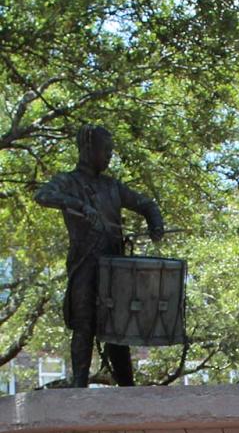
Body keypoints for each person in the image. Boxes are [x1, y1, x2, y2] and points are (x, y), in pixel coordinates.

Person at [34, 125, 163, 387]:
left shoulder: (112, 186)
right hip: (85, 262)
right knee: (84, 323)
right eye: (106, 150)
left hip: (114, 266)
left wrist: (155, 223)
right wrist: (79, 205)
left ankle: (128, 387)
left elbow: (146, 204)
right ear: (88, 149)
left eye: (111, 151)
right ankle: (79, 385)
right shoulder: (69, 182)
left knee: (118, 327)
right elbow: (43, 195)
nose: (109, 156)